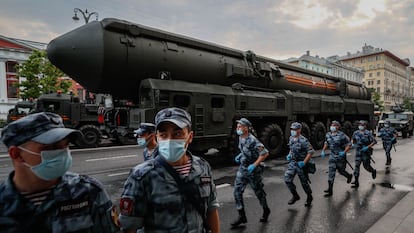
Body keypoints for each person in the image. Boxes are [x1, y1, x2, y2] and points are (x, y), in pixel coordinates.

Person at [0, 112, 119, 233]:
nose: (63, 153)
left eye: (66, 145)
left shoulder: (88, 192)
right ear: (17, 154)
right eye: (51, 148)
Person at [118, 107, 220, 233]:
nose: (170, 140)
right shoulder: (141, 176)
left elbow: (211, 209)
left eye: (177, 134)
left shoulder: (203, 167)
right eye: (163, 134)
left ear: (190, 136)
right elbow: (129, 227)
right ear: (157, 137)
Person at [231, 118, 270, 227]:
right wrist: (240, 155)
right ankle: (241, 216)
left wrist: (255, 164)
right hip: (243, 169)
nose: (238, 128)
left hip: (253, 171)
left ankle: (266, 209)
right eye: (237, 126)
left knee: (258, 192)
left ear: (246, 128)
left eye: (240, 126)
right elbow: (244, 150)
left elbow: (265, 153)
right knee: (237, 192)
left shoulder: (253, 140)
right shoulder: (240, 137)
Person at [284, 122, 315, 207]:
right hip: (293, 162)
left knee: (304, 183)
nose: (293, 131)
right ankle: (295, 195)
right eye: (292, 129)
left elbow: (311, 152)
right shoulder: (291, 138)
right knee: (287, 179)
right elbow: (291, 148)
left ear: (299, 130)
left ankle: (309, 196)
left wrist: (304, 162)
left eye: (295, 129)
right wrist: (289, 154)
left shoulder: (303, 140)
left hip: (301, 163)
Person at [320, 121, 352, 197]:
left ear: (338, 127)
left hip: (340, 157)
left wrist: (344, 152)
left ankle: (349, 176)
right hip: (332, 156)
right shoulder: (328, 134)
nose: (333, 126)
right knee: (331, 172)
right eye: (332, 125)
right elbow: (326, 143)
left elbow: (349, 144)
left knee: (341, 171)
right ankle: (330, 190)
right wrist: (323, 151)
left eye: (335, 125)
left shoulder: (342, 135)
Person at [351, 120, 377, 188]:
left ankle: (373, 171)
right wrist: (353, 143)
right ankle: (356, 181)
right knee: (356, 166)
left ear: (365, 126)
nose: (360, 126)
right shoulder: (355, 133)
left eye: (362, 125)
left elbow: (374, 141)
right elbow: (353, 140)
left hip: (366, 153)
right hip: (358, 152)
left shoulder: (368, 133)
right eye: (359, 124)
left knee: (366, 166)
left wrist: (367, 147)